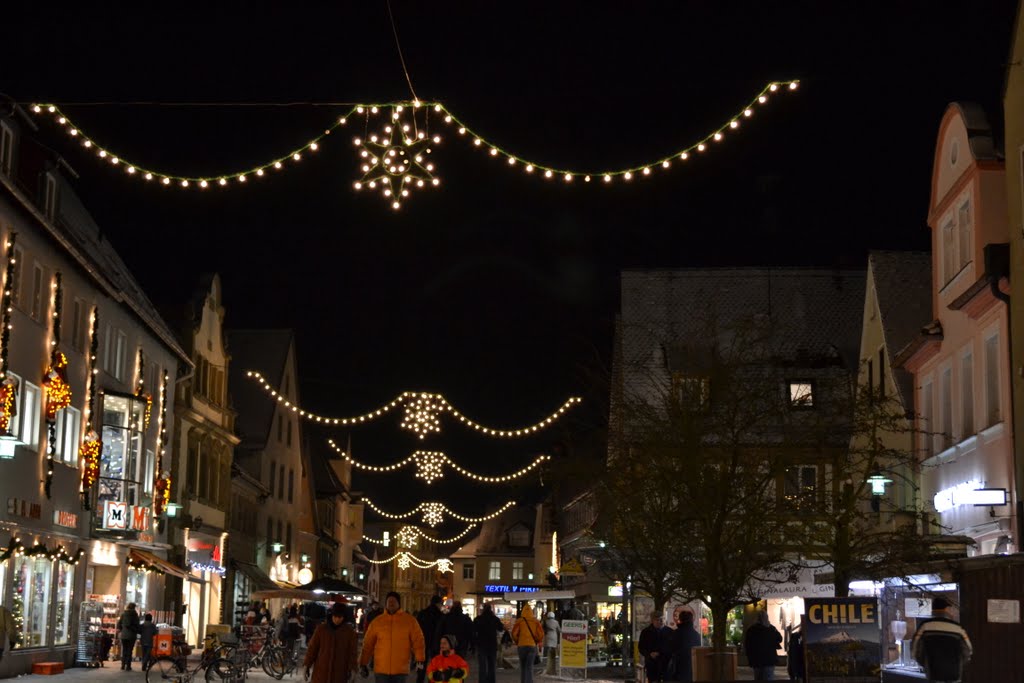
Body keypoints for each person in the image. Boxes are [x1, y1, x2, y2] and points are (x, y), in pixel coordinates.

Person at [360, 591, 426, 683]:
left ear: (398, 603)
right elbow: (368, 644)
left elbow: (418, 641)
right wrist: (363, 663)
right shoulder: (377, 622)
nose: (391, 603)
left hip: (400, 670)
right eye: (389, 601)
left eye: (393, 601)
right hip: (381, 669)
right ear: (385, 603)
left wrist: (420, 660)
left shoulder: (410, 621)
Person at [911, 597, 972, 683]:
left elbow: (915, 649)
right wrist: (959, 665)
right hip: (954, 674)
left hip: (933, 673)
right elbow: (968, 650)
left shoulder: (925, 626)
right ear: (946, 609)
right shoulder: (958, 628)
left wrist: (925, 664)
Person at [304, 602, 359, 683]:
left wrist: (353, 669)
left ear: (344, 617)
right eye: (335, 616)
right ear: (331, 615)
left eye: (340, 617)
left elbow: (353, 652)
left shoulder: (349, 632)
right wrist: (307, 665)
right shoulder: (321, 629)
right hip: (321, 673)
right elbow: (312, 648)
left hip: (339, 674)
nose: (337, 619)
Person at [744, 612, 782, 681]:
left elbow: (747, 645)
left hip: (756, 660)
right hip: (769, 660)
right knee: (768, 678)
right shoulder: (771, 628)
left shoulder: (751, 629)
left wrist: (749, 658)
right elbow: (780, 639)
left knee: (758, 678)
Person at [510, 605, 544, 683]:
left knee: (523, 666)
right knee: (529, 666)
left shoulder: (519, 621)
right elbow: (541, 634)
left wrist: (518, 641)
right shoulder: (535, 622)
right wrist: (536, 640)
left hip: (521, 646)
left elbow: (514, 634)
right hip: (532, 646)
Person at [472, 603, 505, 683]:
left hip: (481, 644)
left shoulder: (478, 619)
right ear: (490, 609)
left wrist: (475, 642)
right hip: (492, 644)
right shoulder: (495, 618)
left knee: (482, 666)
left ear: (483, 609)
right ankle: (491, 680)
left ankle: (482, 681)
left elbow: (473, 630)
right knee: (492, 665)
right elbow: (501, 628)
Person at [665, 610, 701, 682]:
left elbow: (669, 649)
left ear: (680, 620)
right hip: (692, 668)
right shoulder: (696, 635)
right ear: (692, 620)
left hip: (678, 668)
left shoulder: (675, 634)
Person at [417, 597, 445, 683]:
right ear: (438, 604)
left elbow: (417, 629)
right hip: (436, 644)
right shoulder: (441, 615)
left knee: (421, 666)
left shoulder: (422, 613)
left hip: (422, 644)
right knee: (434, 666)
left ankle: (419, 680)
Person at [639, 615, 666, 683]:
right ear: (652, 621)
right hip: (651, 663)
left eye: (661, 620)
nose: (660, 622)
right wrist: (649, 654)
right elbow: (641, 647)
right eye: (657, 620)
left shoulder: (668, 631)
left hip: (665, 662)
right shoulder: (646, 632)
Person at [117, 602, 141, 671]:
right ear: (134, 607)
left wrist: (122, 630)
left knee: (124, 650)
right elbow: (137, 625)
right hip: (131, 635)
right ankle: (128, 666)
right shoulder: (135, 615)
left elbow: (119, 624)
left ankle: (122, 665)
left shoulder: (123, 614)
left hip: (124, 635)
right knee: (129, 651)